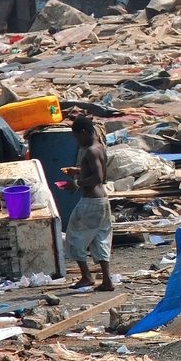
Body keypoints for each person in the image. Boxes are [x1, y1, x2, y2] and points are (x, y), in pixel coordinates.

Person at [62, 116, 113, 291]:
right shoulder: (100, 147)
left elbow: (98, 177)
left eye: (77, 136)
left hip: (91, 202)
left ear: (83, 132)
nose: (77, 141)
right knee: (100, 239)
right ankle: (107, 280)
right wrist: (78, 171)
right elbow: (100, 174)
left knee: (74, 237)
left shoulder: (91, 150)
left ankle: (86, 276)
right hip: (102, 201)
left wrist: (75, 183)